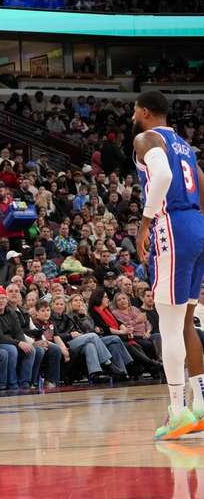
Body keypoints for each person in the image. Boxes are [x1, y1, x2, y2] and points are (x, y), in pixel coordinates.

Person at [132, 90, 204, 439]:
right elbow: (203, 185)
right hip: (195, 226)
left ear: (145, 111)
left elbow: (160, 177)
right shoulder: (184, 146)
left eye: (135, 109)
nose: (133, 114)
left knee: (170, 325)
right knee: (185, 320)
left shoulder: (146, 138)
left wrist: (146, 222)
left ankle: (177, 412)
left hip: (172, 227)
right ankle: (200, 404)